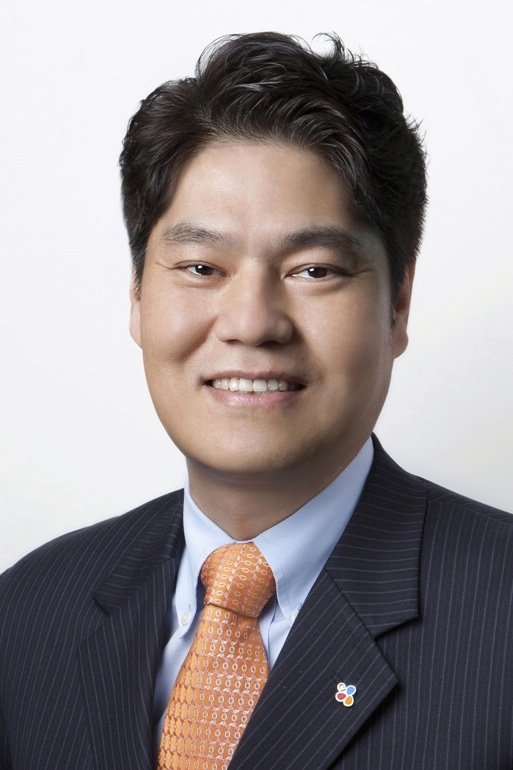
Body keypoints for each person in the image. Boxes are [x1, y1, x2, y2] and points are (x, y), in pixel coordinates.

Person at [1, 31, 512, 770]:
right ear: (137, 296)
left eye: (313, 270)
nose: (250, 323)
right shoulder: (29, 612)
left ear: (397, 305)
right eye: (201, 266)